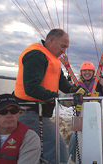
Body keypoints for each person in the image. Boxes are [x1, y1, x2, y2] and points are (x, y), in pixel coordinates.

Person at [13, 28, 79, 164]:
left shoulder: (52, 58)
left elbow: (61, 81)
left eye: (66, 48)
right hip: (29, 113)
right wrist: (59, 98)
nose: (64, 51)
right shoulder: (36, 55)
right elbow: (31, 87)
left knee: (45, 149)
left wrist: (73, 90)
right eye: (62, 46)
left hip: (39, 114)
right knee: (57, 149)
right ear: (51, 40)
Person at [68, 62, 103, 162]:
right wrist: (69, 89)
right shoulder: (75, 85)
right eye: (84, 71)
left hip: (100, 118)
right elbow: (69, 101)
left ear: (94, 72)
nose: (87, 73)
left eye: (89, 71)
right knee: (73, 140)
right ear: (81, 73)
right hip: (81, 118)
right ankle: (71, 161)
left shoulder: (100, 84)